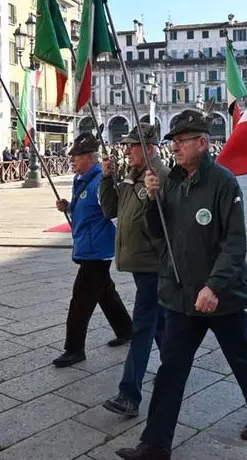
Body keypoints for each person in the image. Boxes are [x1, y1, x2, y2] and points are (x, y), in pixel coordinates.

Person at [116, 110, 247, 460]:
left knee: (241, 356)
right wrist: (153, 200)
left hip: (221, 296)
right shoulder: (169, 180)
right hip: (182, 294)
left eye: (182, 140)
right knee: (171, 367)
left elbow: (234, 243)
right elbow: (158, 233)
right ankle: (155, 444)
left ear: (202, 143)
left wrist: (214, 286)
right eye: (173, 141)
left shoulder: (223, 182)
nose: (175, 147)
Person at [98, 124, 168, 418]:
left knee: (142, 327)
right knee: (160, 324)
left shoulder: (161, 177)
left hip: (153, 265)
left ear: (149, 149)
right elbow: (109, 210)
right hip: (138, 263)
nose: (126, 149)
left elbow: (166, 223)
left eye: (132, 145)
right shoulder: (131, 176)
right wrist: (107, 177)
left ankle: (130, 394)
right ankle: (175, 368)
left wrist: (153, 195)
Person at [52, 133, 132, 368]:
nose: (71, 161)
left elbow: (110, 211)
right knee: (105, 292)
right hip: (87, 244)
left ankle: (74, 349)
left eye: (75, 157)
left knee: (81, 301)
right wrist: (68, 206)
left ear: (89, 157)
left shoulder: (100, 181)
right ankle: (127, 329)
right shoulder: (81, 180)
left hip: (97, 250)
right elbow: (83, 207)